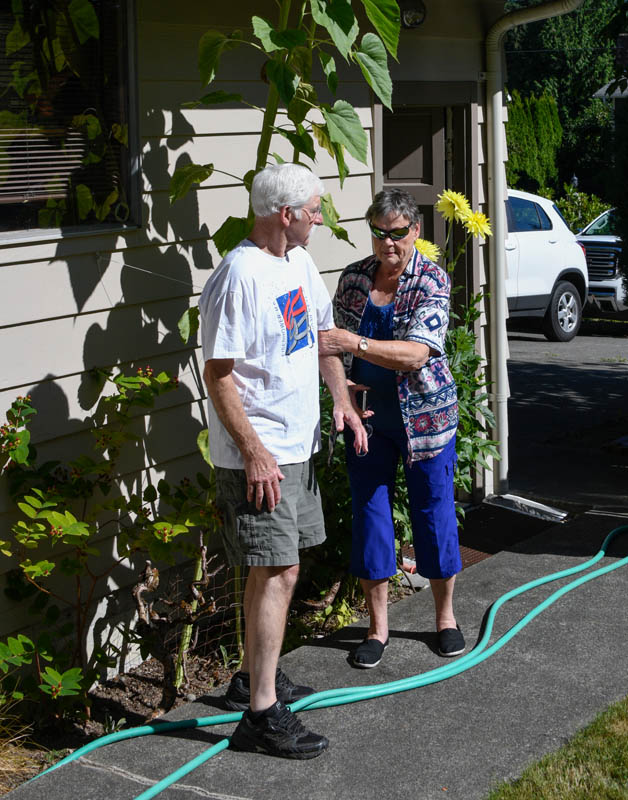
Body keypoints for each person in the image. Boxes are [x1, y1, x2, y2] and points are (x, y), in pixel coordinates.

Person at [199, 163, 367, 758]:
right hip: (261, 455)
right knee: (276, 571)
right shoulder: (238, 276)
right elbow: (218, 375)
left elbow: (320, 338)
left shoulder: (296, 265)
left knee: (280, 569)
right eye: (314, 210)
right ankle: (260, 716)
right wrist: (254, 453)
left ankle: (253, 678)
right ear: (284, 214)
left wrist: (342, 403)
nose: (320, 218)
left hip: (297, 449)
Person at [318, 188, 464, 669]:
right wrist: (344, 399)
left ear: (415, 232)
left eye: (398, 234)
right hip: (369, 420)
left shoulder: (432, 281)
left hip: (426, 419)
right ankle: (377, 628)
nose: (388, 244)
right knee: (372, 517)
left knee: (433, 512)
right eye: (379, 234)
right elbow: (328, 350)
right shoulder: (354, 279)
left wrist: (353, 342)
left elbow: (416, 354)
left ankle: (445, 619)